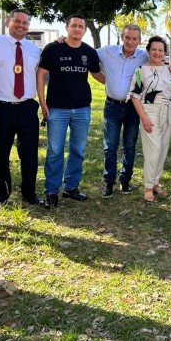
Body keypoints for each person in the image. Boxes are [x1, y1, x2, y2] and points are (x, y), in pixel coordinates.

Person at [95, 25, 171, 198]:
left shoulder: (147, 59)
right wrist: (62, 41)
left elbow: (170, 83)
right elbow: (86, 52)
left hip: (135, 110)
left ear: (139, 41)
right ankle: (109, 182)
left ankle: (126, 180)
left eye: (134, 39)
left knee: (130, 146)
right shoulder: (109, 53)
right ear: (122, 37)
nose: (130, 41)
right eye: (127, 38)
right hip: (113, 106)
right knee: (110, 146)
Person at [36, 14, 101, 208]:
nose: (77, 29)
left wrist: (124, 83)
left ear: (85, 30)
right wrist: (42, 101)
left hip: (82, 109)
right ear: (67, 28)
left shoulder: (89, 52)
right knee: (55, 150)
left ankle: (71, 187)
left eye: (81, 26)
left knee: (78, 150)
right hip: (57, 108)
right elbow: (40, 74)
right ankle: (51, 191)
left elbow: (98, 74)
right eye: (74, 26)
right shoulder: (53, 48)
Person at [0, 9, 42, 211]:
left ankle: (29, 193)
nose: (21, 26)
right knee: (0, 153)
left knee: (30, 153)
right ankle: (1, 195)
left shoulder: (34, 50)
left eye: (26, 23)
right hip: (2, 108)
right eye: (18, 21)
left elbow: (42, 75)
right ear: (8, 21)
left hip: (27, 108)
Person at [128, 36, 171, 203]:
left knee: (162, 149)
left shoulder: (170, 70)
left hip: (169, 112)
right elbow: (134, 96)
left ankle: (156, 182)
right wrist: (144, 118)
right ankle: (148, 186)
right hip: (150, 112)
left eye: (160, 50)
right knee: (153, 150)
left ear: (164, 53)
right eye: (154, 49)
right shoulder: (141, 70)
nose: (157, 53)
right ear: (148, 51)